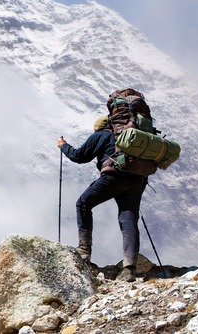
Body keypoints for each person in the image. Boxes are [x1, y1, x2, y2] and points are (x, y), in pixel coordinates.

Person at [57, 115, 147, 282]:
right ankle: (129, 269)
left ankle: (84, 251)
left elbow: (79, 156)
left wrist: (64, 146)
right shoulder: (131, 137)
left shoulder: (101, 135)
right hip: (137, 180)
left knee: (83, 203)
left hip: (113, 177)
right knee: (128, 219)